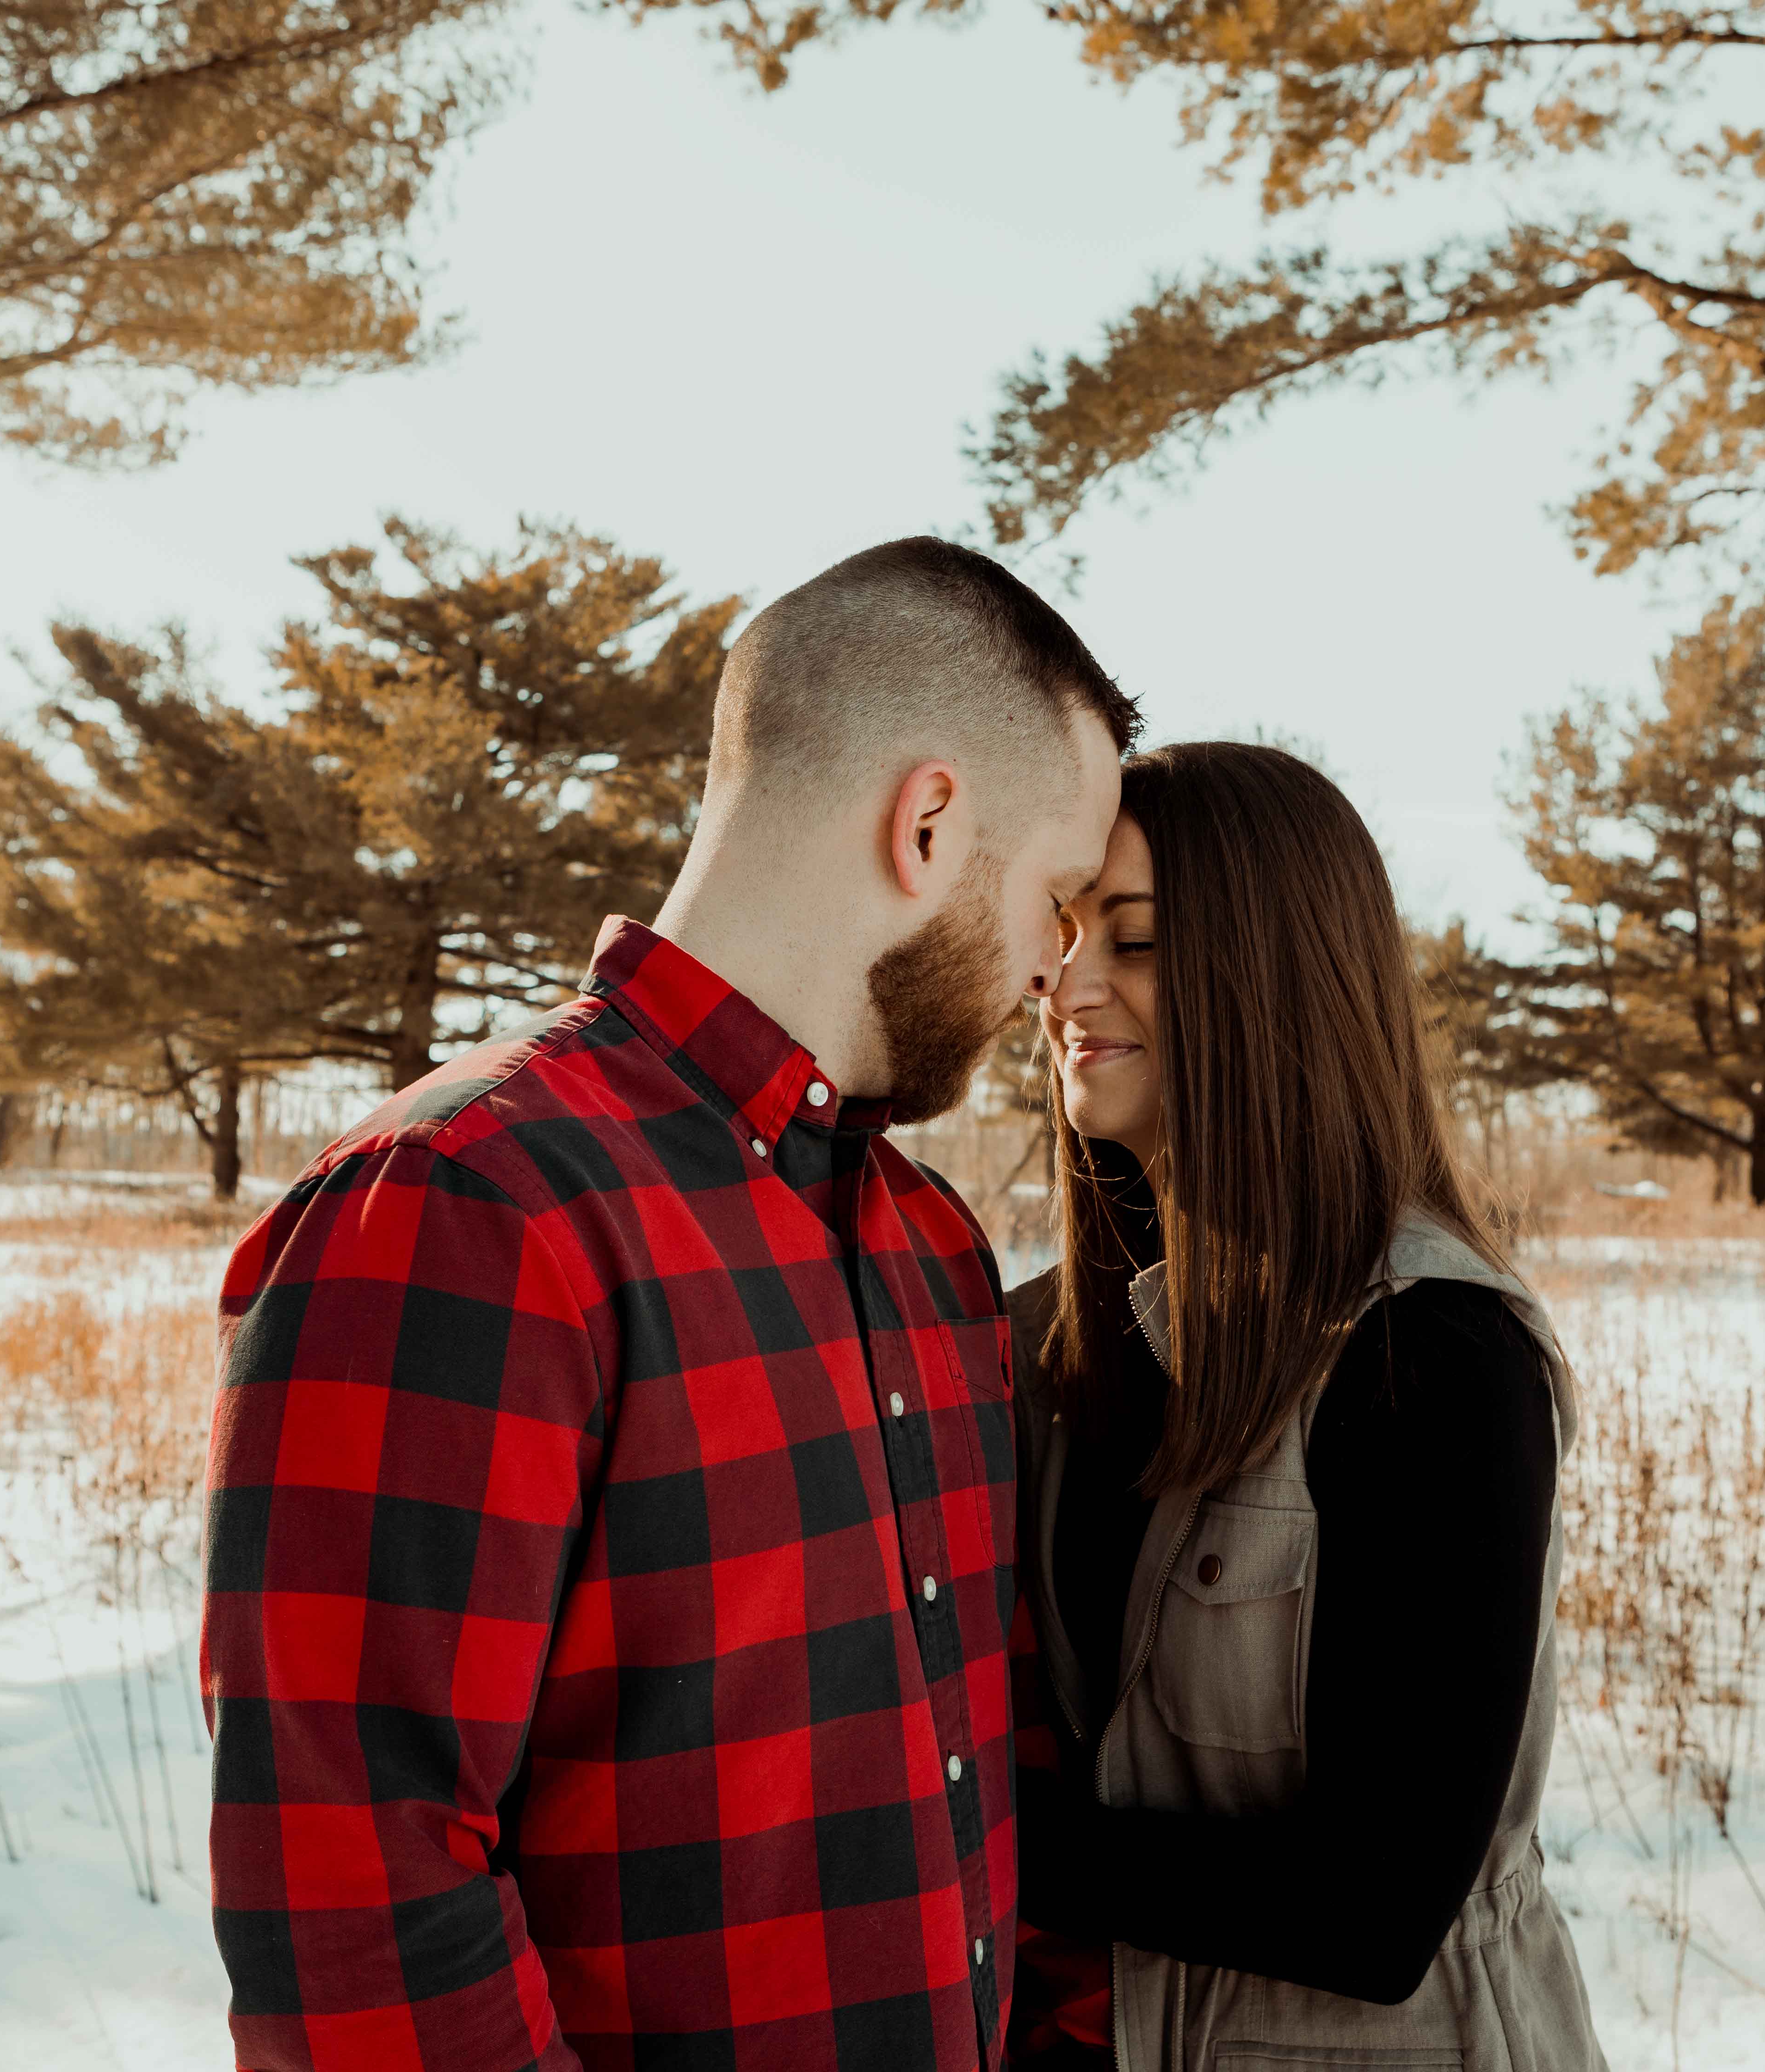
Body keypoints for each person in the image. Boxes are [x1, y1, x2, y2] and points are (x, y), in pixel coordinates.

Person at [200, 536, 1137, 2072]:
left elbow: (999, 1761)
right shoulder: (463, 1207)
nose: (1055, 963)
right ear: (928, 822)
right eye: (1057, 895)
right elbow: (355, 1903)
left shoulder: (929, 1248)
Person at [1005, 741, 1607, 2072]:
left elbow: (1378, 1907)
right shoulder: (1048, 1339)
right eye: (1062, 932)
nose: (1066, 983)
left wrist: (940, 1836)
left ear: (1272, 973)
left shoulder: (1429, 1349)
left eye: (1139, 940)